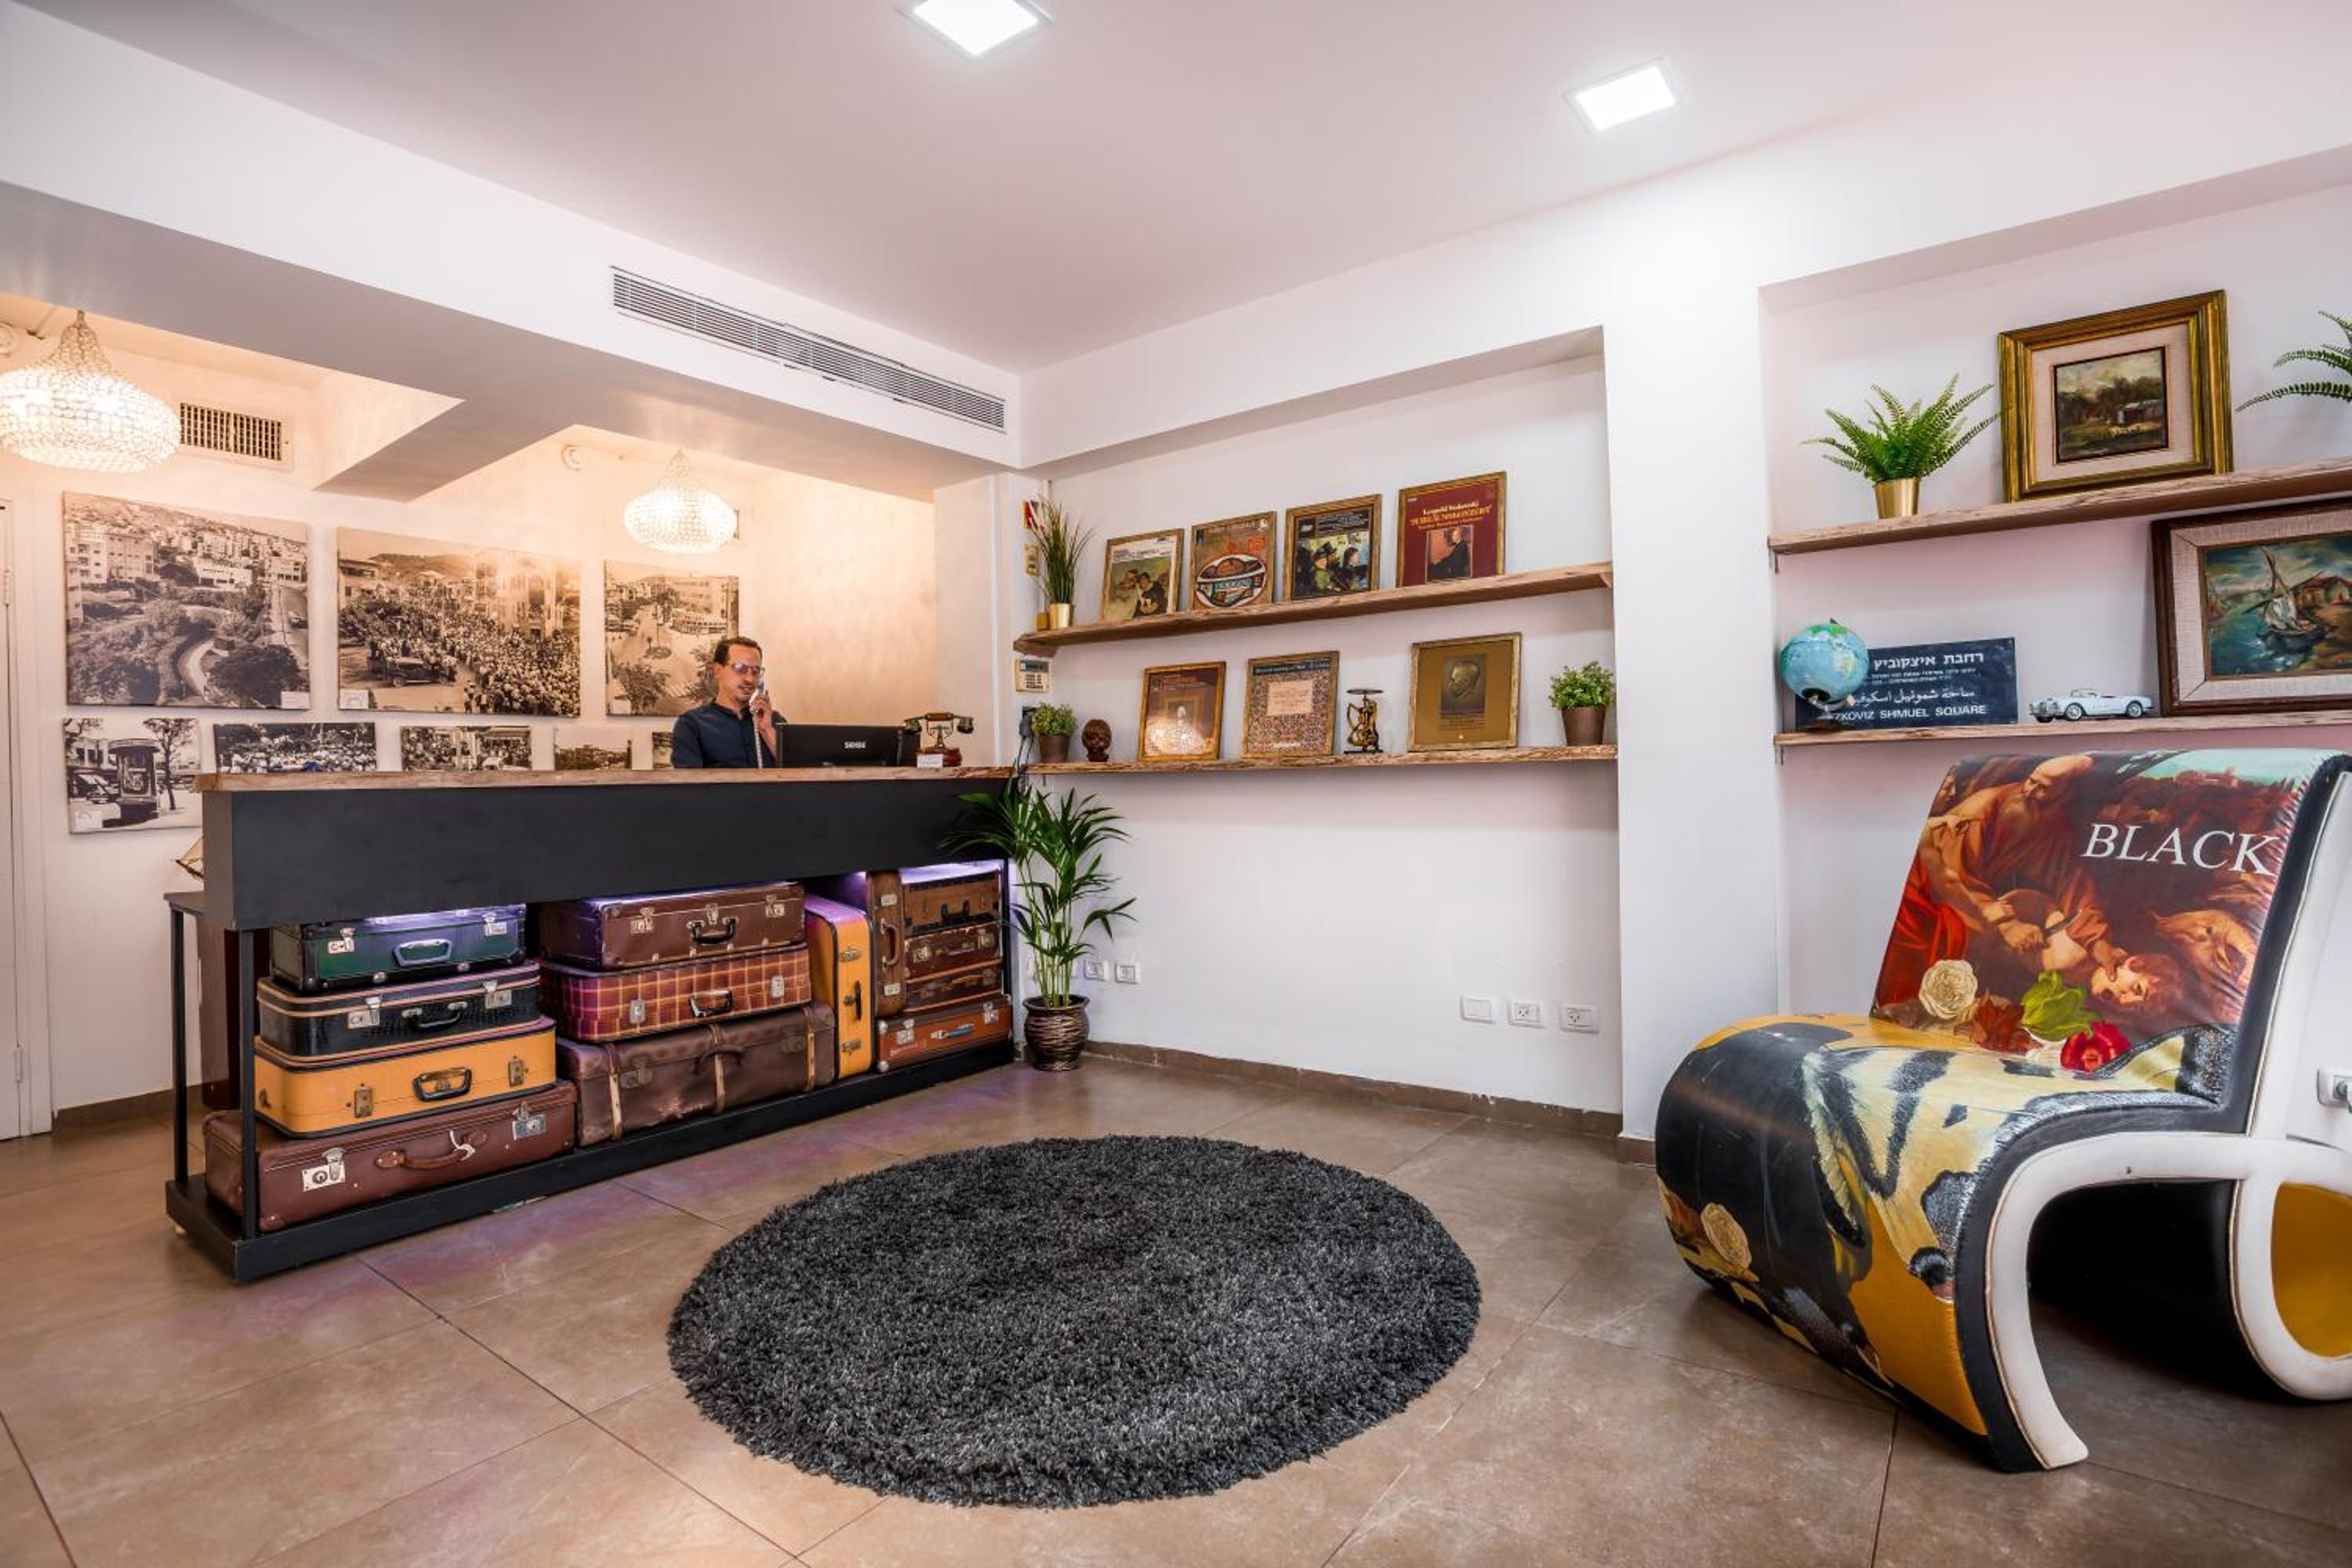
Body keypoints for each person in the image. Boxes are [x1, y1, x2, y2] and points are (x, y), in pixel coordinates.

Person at [670, 636, 781, 768]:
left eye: (756, 671)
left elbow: (799, 775)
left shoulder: (775, 722)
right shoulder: (691, 725)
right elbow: (687, 780)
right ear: (718, 670)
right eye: (740, 668)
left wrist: (767, 731)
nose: (750, 679)